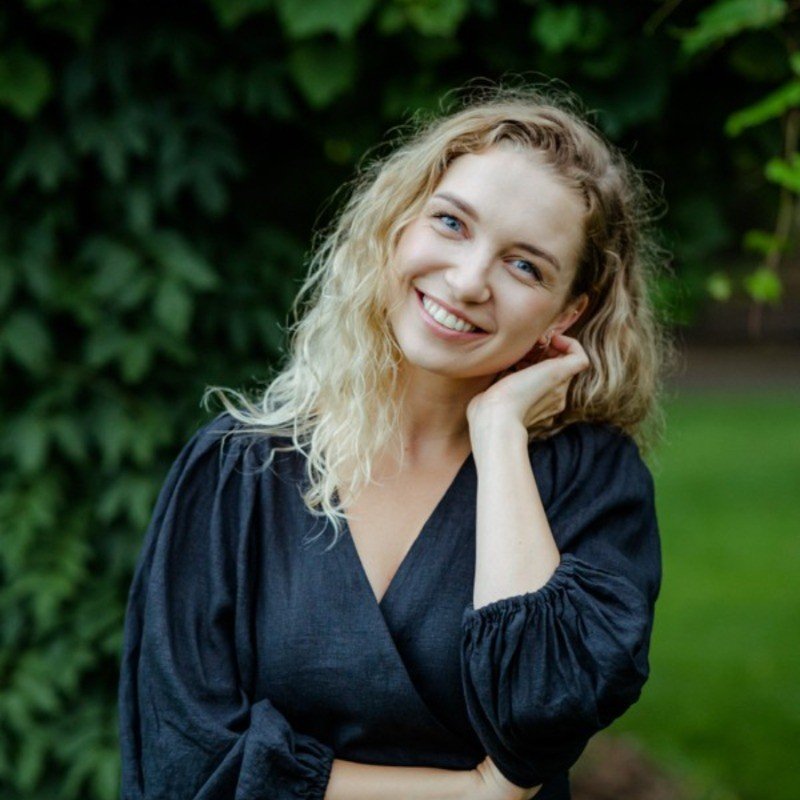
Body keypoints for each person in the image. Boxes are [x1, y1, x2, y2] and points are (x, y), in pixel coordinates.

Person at [118, 79, 675, 800]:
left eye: (524, 265)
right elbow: (185, 766)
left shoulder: (589, 483)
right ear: (399, 222)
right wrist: (472, 795)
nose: (470, 278)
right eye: (451, 223)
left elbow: (536, 719)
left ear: (567, 312)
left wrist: (500, 433)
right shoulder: (236, 472)